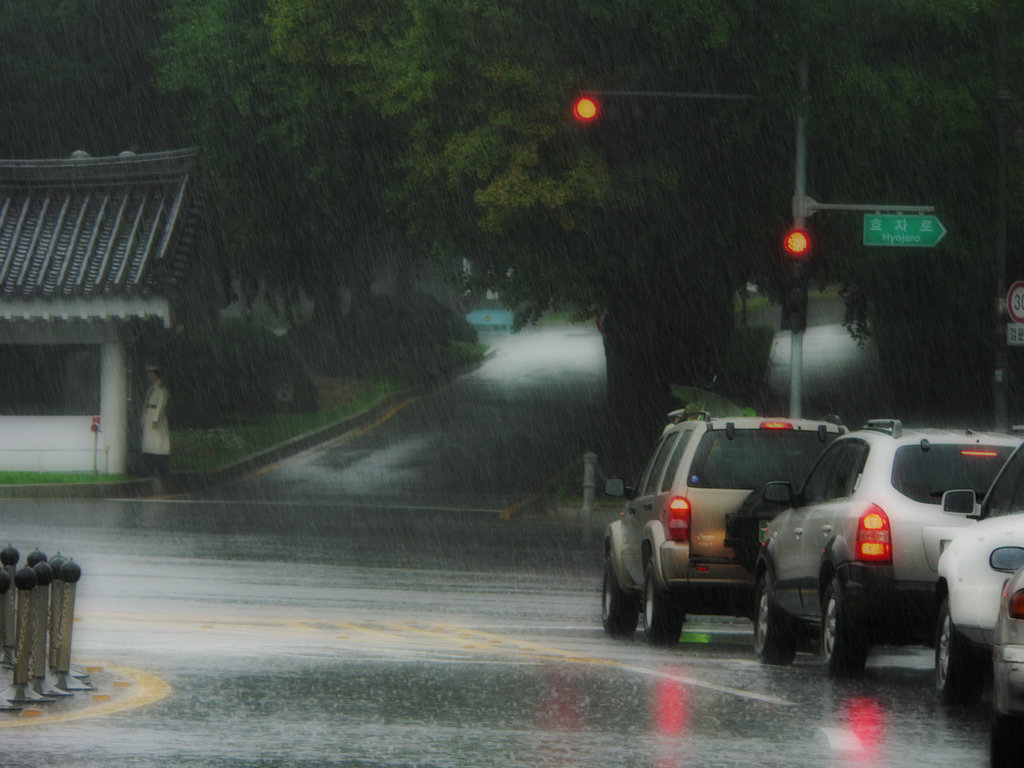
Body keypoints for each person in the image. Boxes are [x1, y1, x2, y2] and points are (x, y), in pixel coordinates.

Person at [141, 365, 171, 481]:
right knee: (149, 446)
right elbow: (146, 406)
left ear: (155, 374)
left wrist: (155, 420)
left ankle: (163, 471)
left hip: (156, 422)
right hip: (149, 419)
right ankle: (149, 470)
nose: (149, 376)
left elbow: (160, 406)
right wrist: (143, 419)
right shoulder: (150, 389)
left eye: (150, 373)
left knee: (159, 446)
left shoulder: (162, 390)